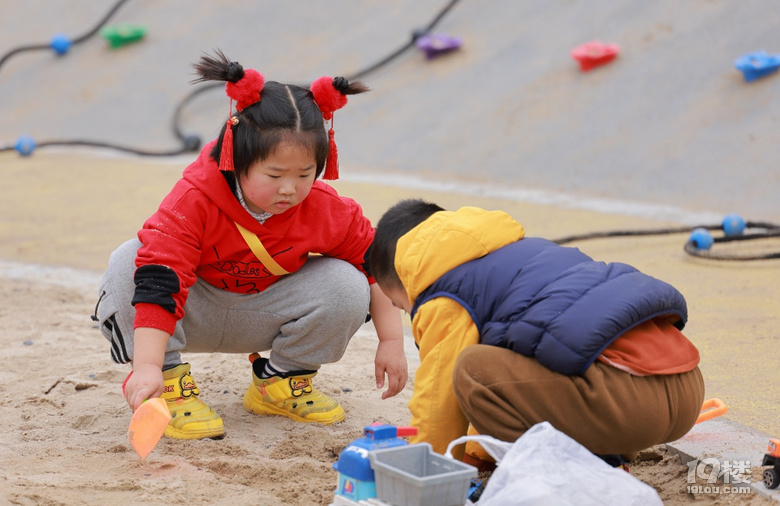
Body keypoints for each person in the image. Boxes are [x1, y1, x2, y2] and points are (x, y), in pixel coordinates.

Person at [94, 50, 407, 440]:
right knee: (131, 261)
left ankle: (279, 383)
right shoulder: (194, 198)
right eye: (274, 174)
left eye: (304, 174)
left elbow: (374, 266)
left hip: (265, 312)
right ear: (237, 158)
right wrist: (147, 366)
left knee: (348, 281)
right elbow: (163, 278)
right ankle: (168, 385)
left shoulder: (325, 209)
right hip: (192, 311)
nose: (289, 189)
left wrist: (392, 341)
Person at [368, 198, 704, 466]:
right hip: (685, 389)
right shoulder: (523, 255)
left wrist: (425, 466)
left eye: (401, 306)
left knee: (470, 370)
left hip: (632, 407)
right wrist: (480, 446)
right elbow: (529, 381)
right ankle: (608, 456)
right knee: (540, 352)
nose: (410, 313)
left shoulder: (441, 292)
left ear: (402, 278)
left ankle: (585, 468)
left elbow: (439, 400)